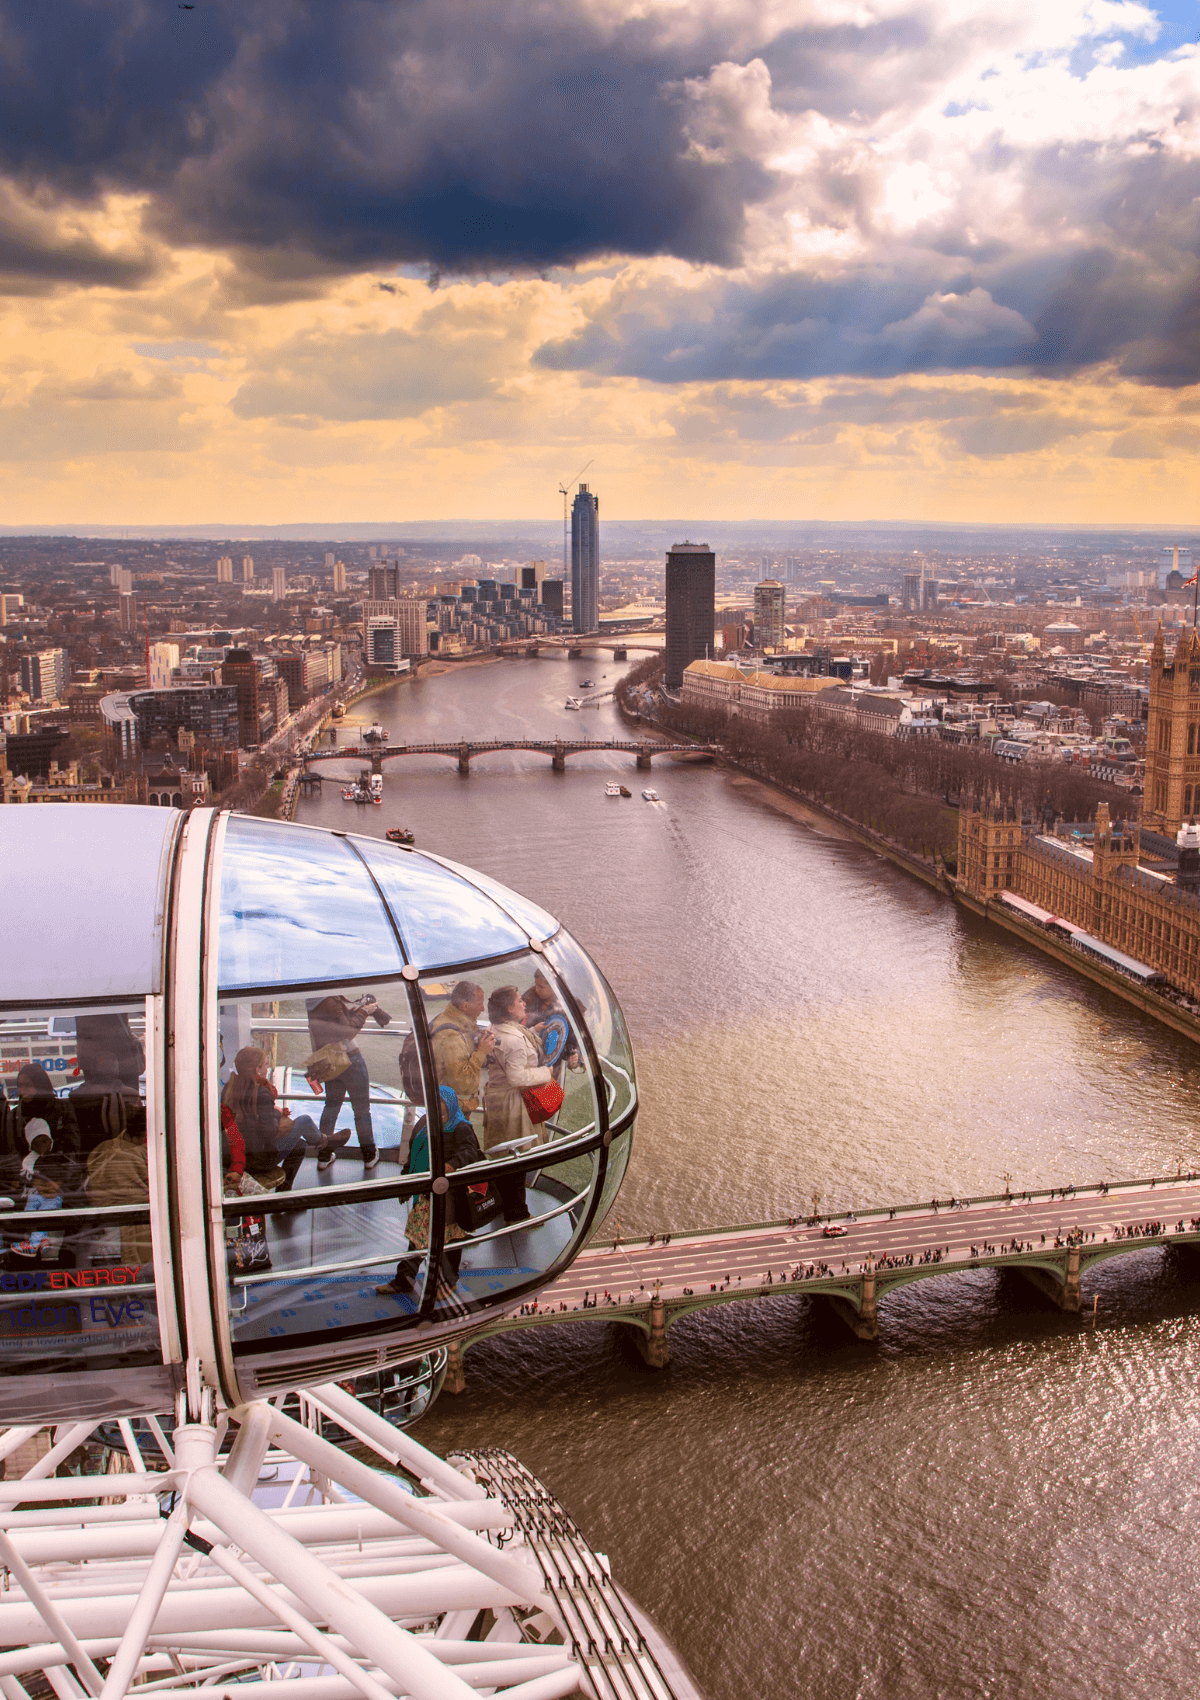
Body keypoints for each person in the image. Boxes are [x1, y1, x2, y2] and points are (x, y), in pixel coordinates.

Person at [376, 1087, 479, 1297]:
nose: (437, 1111)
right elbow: (415, 1151)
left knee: (450, 1239)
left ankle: (449, 1282)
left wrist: (450, 1165)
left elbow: (470, 1151)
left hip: (447, 1194)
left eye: (442, 1107)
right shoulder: (425, 1123)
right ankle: (404, 1280)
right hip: (425, 1192)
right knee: (418, 1237)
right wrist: (407, 1181)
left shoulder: (460, 1127)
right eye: (434, 1105)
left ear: (450, 1106)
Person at [483, 985, 553, 1224]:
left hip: (497, 1099)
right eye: (519, 1001)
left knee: (504, 1156)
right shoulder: (514, 1039)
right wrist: (547, 1072)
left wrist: (532, 1030)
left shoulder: (495, 1029)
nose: (524, 1003)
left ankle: (505, 1205)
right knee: (518, 1159)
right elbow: (517, 1077)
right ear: (509, 1009)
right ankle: (517, 1214)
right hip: (514, 1103)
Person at [305, 993, 392, 1171]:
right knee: (361, 1110)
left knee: (331, 1107)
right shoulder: (330, 1001)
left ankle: (323, 1156)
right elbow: (348, 1032)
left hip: (330, 1061)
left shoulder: (312, 1000)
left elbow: (336, 1024)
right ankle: (368, 1155)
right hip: (350, 1059)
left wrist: (357, 1009)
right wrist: (364, 1012)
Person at [222, 1047, 317, 1192]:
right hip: (258, 1159)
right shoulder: (261, 1092)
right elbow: (270, 1133)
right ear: (257, 1069)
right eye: (265, 1064)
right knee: (304, 1121)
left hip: (232, 1158)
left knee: (299, 1145)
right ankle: (324, 1144)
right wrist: (277, 1113)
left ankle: (284, 1193)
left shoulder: (228, 1088)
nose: (268, 1067)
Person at [6, 1064, 81, 1192]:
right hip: (28, 1183)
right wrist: (30, 1179)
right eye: (20, 1085)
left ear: (40, 1085)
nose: (22, 1090)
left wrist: (57, 1180)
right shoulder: (15, 1116)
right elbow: (12, 1153)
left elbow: (72, 1149)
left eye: (28, 1085)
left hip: (59, 1182)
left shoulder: (62, 1109)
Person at [429, 982, 496, 1116]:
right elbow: (462, 1083)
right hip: (451, 1109)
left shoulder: (447, 1019)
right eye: (479, 1004)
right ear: (465, 1006)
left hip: (447, 1104)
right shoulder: (451, 1035)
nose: (482, 1008)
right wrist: (482, 1052)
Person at [70, 1050, 142, 1158]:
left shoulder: (76, 1096)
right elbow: (138, 1131)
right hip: (127, 1155)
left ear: (92, 1072)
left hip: (88, 1156)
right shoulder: (131, 1095)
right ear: (117, 1071)